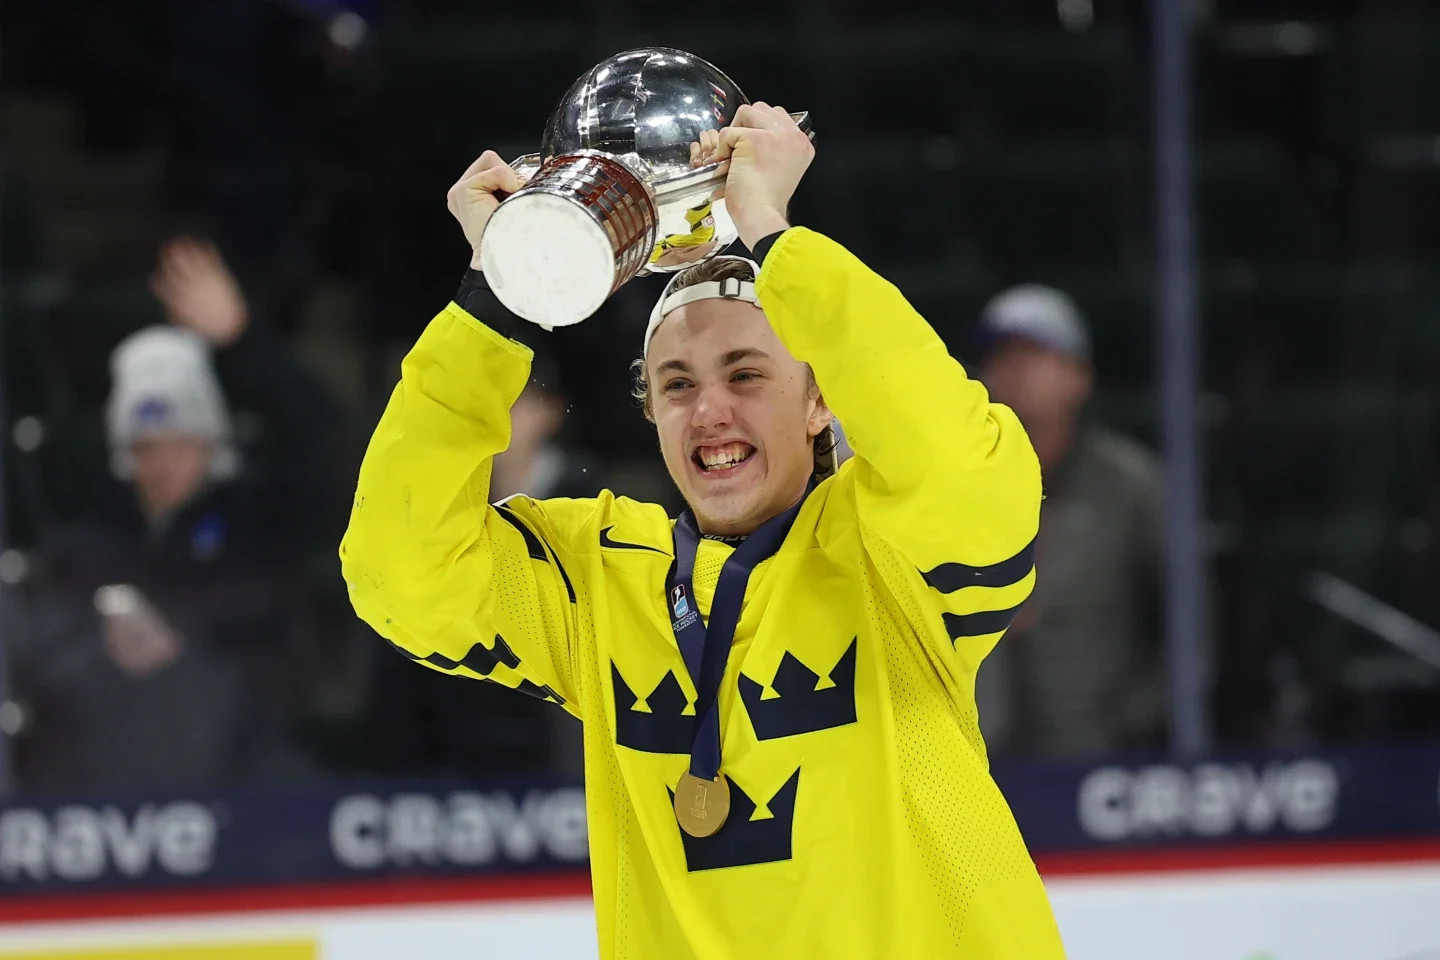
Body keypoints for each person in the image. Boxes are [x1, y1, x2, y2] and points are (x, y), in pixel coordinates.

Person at [342, 105, 1064, 958]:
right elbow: (397, 568)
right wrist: (499, 294)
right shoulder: (598, 583)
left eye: (747, 373)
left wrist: (771, 233)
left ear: (821, 399)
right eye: (677, 383)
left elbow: (962, 467)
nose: (710, 410)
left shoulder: (890, 558)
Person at [7, 237, 342, 794]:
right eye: (145, 445)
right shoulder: (88, 541)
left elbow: (326, 446)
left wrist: (241, 342)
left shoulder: (260, 521)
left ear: (213, 444)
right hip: (111, 788)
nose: (162, 463)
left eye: (180, 442)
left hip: (246, 782)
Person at [972, 284, 1169, 757]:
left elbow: (1190, 627)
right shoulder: (955, 481)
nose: (1016, 373)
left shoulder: (1131, 483)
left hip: (1101, 754)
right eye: (1002, 357)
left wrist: (1135, 722)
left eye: (1035, 355)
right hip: (979, 761)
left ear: (1079, 376)